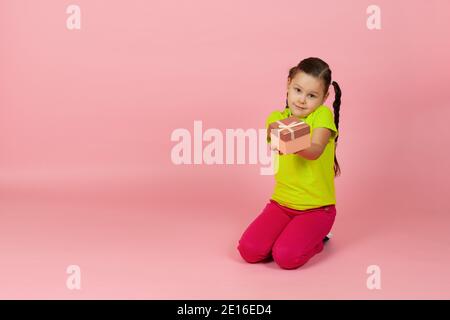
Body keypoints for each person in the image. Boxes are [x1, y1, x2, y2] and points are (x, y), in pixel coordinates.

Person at [237, 57, 342, 269]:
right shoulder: (276, 117)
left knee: (285, 257)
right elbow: (276, 138)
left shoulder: (322, 115)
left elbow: (314, 150)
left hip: (317, 209)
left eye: (312, 95)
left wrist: (289, 140)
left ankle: (318, 239)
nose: (302, 100)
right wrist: (283, 136)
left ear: (325, 97)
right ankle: (289, 234)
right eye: (298, 90)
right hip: (281, 205)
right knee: (249, 251)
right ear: (288, 84)